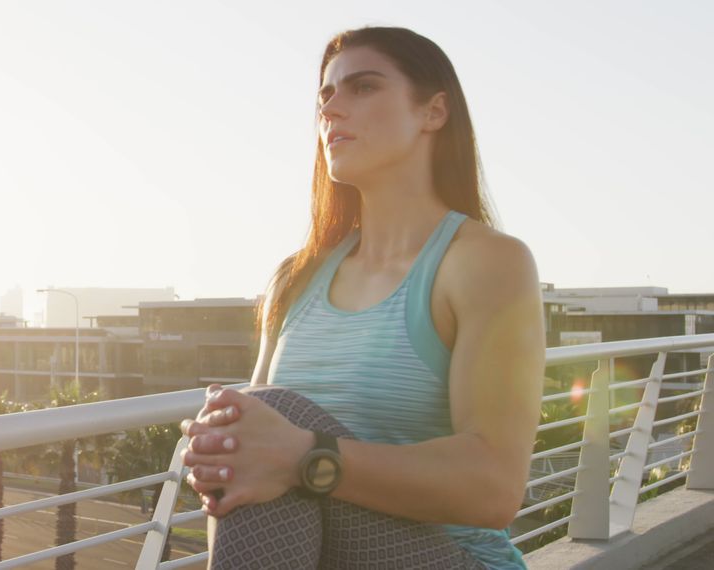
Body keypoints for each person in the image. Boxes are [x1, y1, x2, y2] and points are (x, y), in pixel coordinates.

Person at [179, 26, 545, 569]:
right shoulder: (294, 278)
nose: (331, 110)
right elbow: (255, 460)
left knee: (272, 413)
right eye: (325, 95)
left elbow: (493, 488)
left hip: (453, 557)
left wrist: (304, 456)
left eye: (363, 87)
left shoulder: (487, 263)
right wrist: (219, 452)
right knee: (246, 421)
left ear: (433, 112)